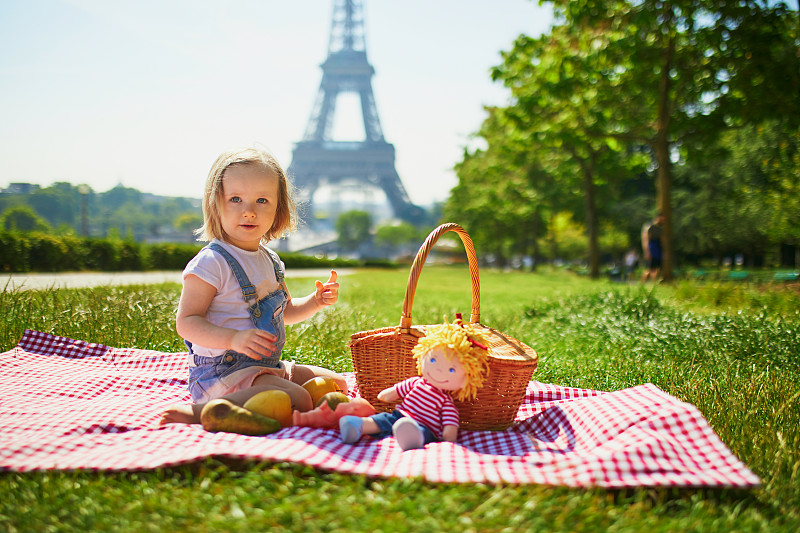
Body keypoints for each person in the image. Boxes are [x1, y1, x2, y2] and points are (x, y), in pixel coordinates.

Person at [160, 148, 347, 427]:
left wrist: (316, 301)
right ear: (216, 205)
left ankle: (281, 404)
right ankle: (202, 412)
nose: (249, 211)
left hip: (265, 367)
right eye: (235, 199)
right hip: (222, 374)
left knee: (337, 384)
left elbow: (285, 312)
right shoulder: (212, 263)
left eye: (262, 200)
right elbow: (187, 322)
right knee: (300, 398)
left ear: (278, 209)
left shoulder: (270, 260)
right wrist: (232, 339)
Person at [339, 317, 490, 450]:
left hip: (424, 426)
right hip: (399, 416)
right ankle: (357, 425)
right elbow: (393, 393)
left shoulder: (446, 402)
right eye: (432, 360)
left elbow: (450, 426)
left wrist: (449, 434)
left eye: (452, 370)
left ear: (465, 379)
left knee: (422, 433)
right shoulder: (416, 382)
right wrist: (388, 394)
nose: (438, 371)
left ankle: (412, 438)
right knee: (382, 419)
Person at [641, 212, 665, 282]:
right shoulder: (649, 227)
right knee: (650, 269)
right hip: (651, 249)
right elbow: (645, 240)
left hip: (658, 250)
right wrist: (647, 252)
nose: (663, 221)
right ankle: (642, 284)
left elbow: (662, 240)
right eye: (662, 219)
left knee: (657, 268)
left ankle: (654, 284)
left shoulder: (660, 229)